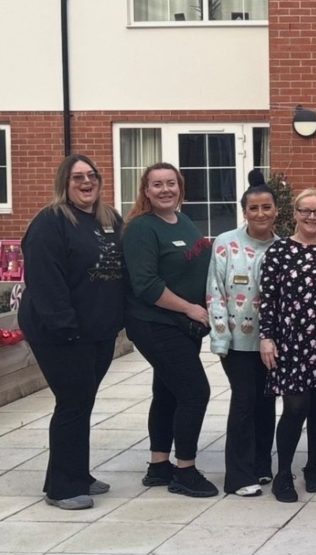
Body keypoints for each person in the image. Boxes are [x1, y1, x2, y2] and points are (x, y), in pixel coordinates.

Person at [18, 155, 125, 510]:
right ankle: (63, 488)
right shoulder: (50, 222)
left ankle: (75, 473)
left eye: (91, 175)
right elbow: (46, 281)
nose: (85, 182)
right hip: (60, 332)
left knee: (83, 402)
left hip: (99, 331)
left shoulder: (109, 219)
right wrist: (65, 328)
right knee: (73, 402)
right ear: (64, 182)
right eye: (77, 177)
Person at [123, 162, 217, 498]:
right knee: (195, 392)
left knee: (167, 392)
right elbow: (146, 284)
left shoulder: (184, 221)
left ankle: (159, 466)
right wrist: (191, 308)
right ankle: (185, 471)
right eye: (157, 184)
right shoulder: (141, 229)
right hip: (155, 324)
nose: (165, 190)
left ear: (180, 187)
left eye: (171, 183)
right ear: (146, 191)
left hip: (183, 327)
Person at [259, 188, 316, 503]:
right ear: (295, 213)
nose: (312, 217)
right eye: (305, 211)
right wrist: (266, 337)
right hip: (290, 339)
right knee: (295, 406)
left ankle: (313, 465)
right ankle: (283, 472)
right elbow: (267, 299)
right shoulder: (279, 251)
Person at [206, 171, 278, 497]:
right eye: (254, 208)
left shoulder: (282, 248)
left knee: (266, 404)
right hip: (237, 341)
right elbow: (215, 292)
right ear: (244, 212)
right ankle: (237, 476)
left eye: (266, 207)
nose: (260, 214)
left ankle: (261, 465)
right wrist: (220, 337)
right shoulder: (225, 244)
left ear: (276, 210)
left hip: (271, 343)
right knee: (244, 403)